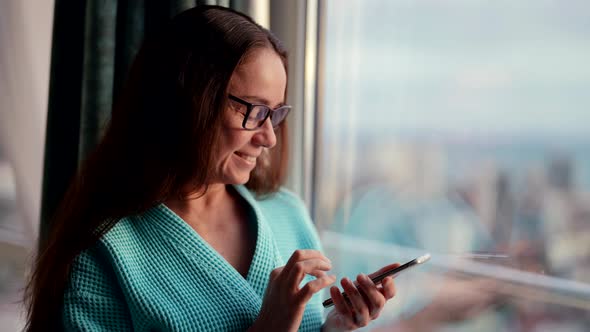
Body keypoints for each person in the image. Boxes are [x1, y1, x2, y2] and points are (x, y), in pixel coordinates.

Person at [24, 5, 399, 331]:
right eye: (252, 110)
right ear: (186, 103)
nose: (268, 137)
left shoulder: (287, 214)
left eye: (275, 113)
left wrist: (337, 325)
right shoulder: (105, 255)